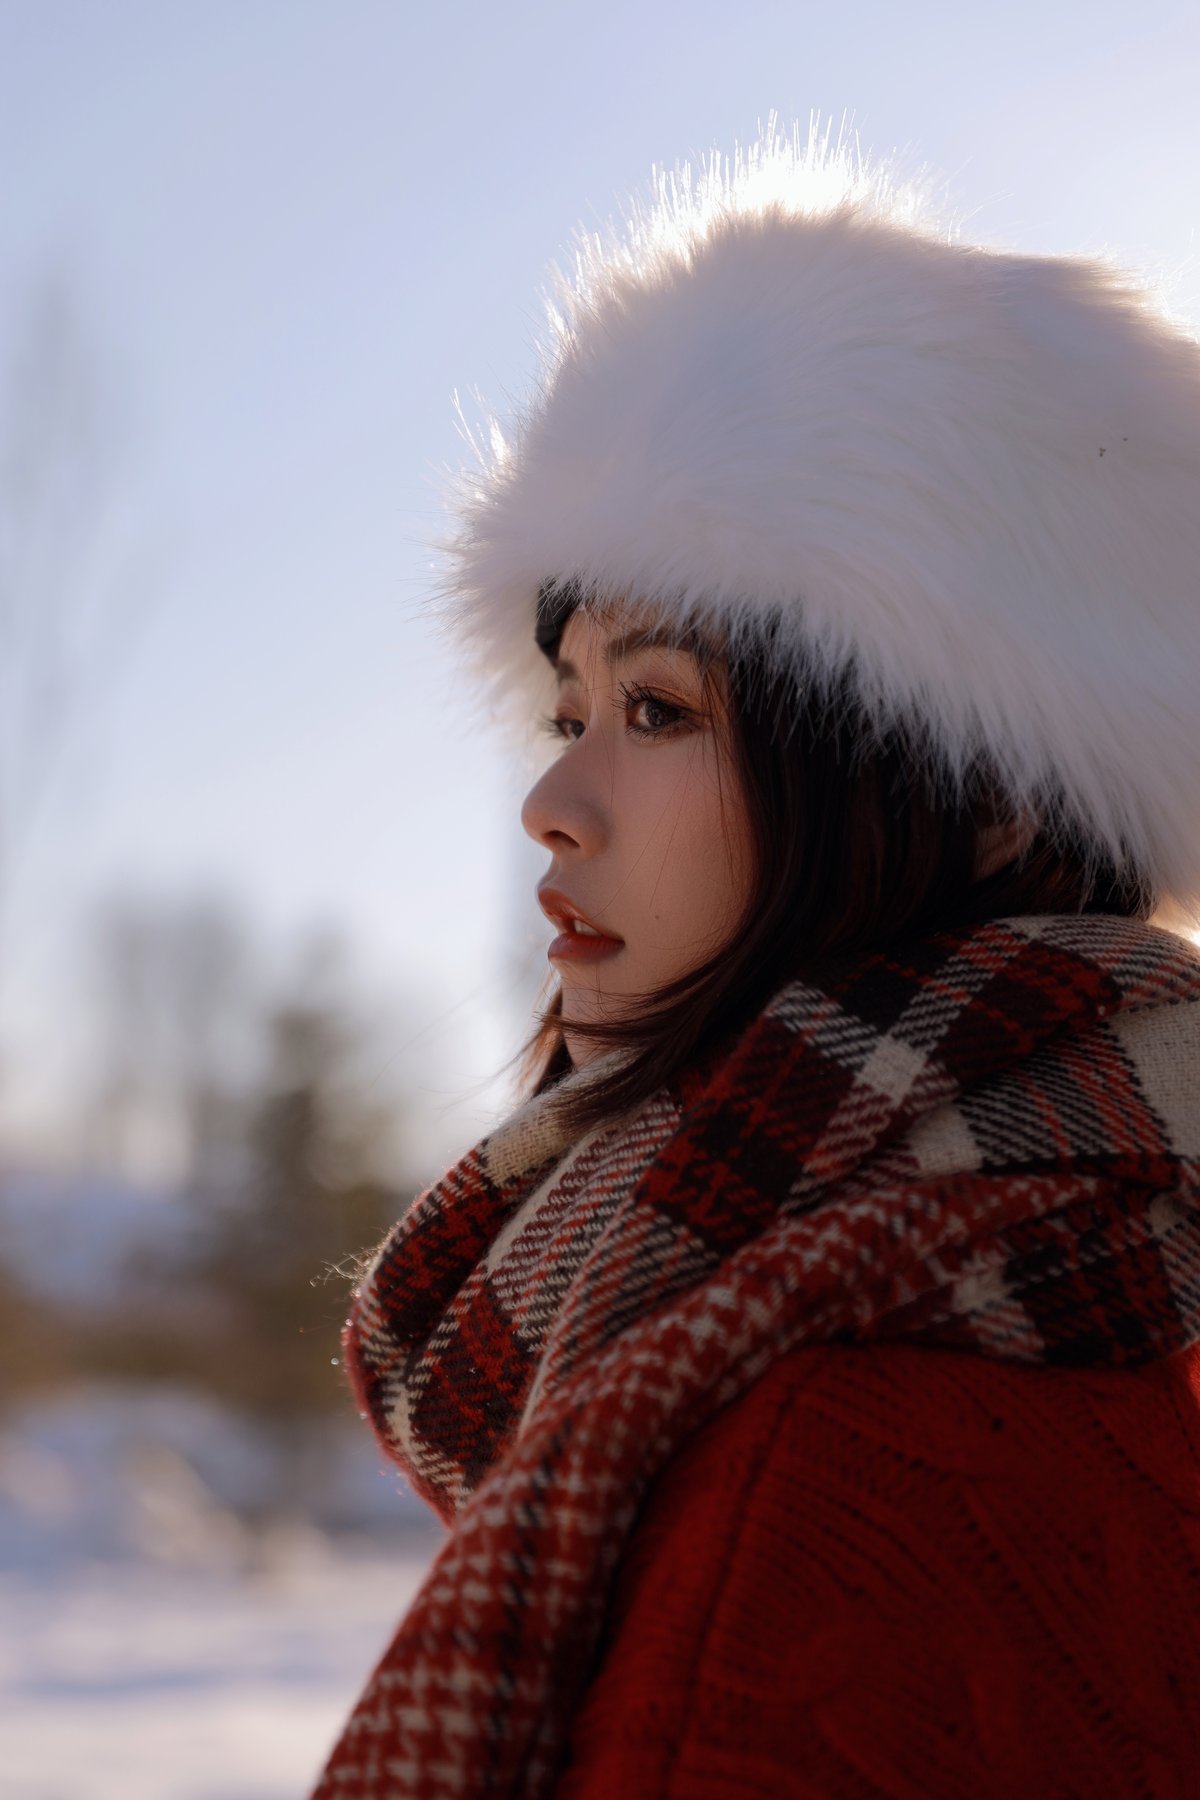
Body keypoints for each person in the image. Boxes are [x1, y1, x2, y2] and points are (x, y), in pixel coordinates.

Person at [312, 128, 1200, 1798]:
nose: (551, 801)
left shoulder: (819, 1473)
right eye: (570, 712)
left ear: (990, 801)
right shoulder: (1093, 1309)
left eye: (659, 709)